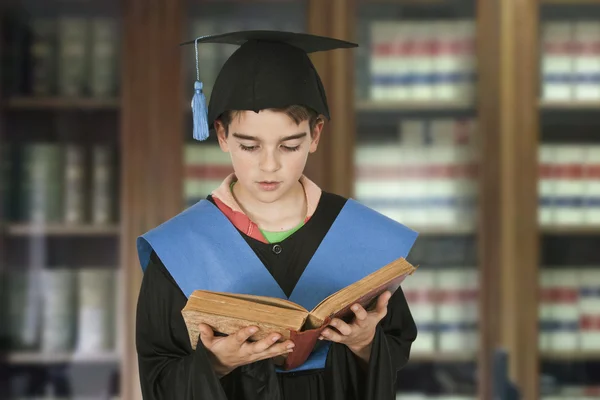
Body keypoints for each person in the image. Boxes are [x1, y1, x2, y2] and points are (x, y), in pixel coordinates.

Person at [135, 30, 418, 400]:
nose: (269, 166)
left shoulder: (359, 234)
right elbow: (158, 376)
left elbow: (395, 346)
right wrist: (216, 363)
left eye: (290, 145)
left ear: (315, 135)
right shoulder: (179, 249)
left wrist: (367, 344)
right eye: (249, 146)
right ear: (221, 134)